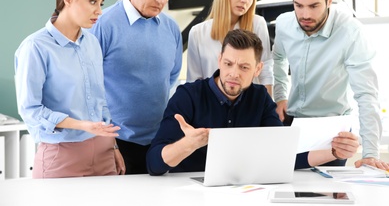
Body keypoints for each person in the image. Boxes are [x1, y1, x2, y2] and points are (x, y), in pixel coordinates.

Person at [146, 29, 359, 175]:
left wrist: (333, 152)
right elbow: (154, 164)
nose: (233, 73)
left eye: (244, 67)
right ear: (219, 60)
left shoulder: (259, 98)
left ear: (258, 70)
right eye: (228, 63)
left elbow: (282, 155)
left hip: (242, 193)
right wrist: (187, 144)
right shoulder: (188, 96)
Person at [273, 0, 389, 170]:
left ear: (329, 1)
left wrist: (370, 153)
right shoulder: (284, 23)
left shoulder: (351, 32)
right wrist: (280, 95)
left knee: (328, 197)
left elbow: (366, 94)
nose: (305, 14)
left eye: (314, 6)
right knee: (286, 191)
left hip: (331, 132)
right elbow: (278, 58)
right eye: (298, 5)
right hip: (292, 123)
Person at [14, 0, 125, 178]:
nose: (99, 11)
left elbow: (100, 102)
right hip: (62, 155)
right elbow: (31, 109)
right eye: (92, 1)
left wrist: (113, 146)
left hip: (104, 152)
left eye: (101, 3)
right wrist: (82, 125)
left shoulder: (92, 42)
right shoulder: (35, 47)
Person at [90, 0, 182, 174]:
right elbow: (89, 88)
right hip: (116, 143)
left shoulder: (171, 28)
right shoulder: (103, 25)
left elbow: (171, 77)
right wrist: (108, 143)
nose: (161, 0)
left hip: (160, 142)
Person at [187, 0, 274, 96]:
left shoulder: (258, 24)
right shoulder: (198, 33)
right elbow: (194, 81)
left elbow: (265, 68)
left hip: (249, 106)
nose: (244, 0)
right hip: (212, 107)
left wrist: (267, 108)